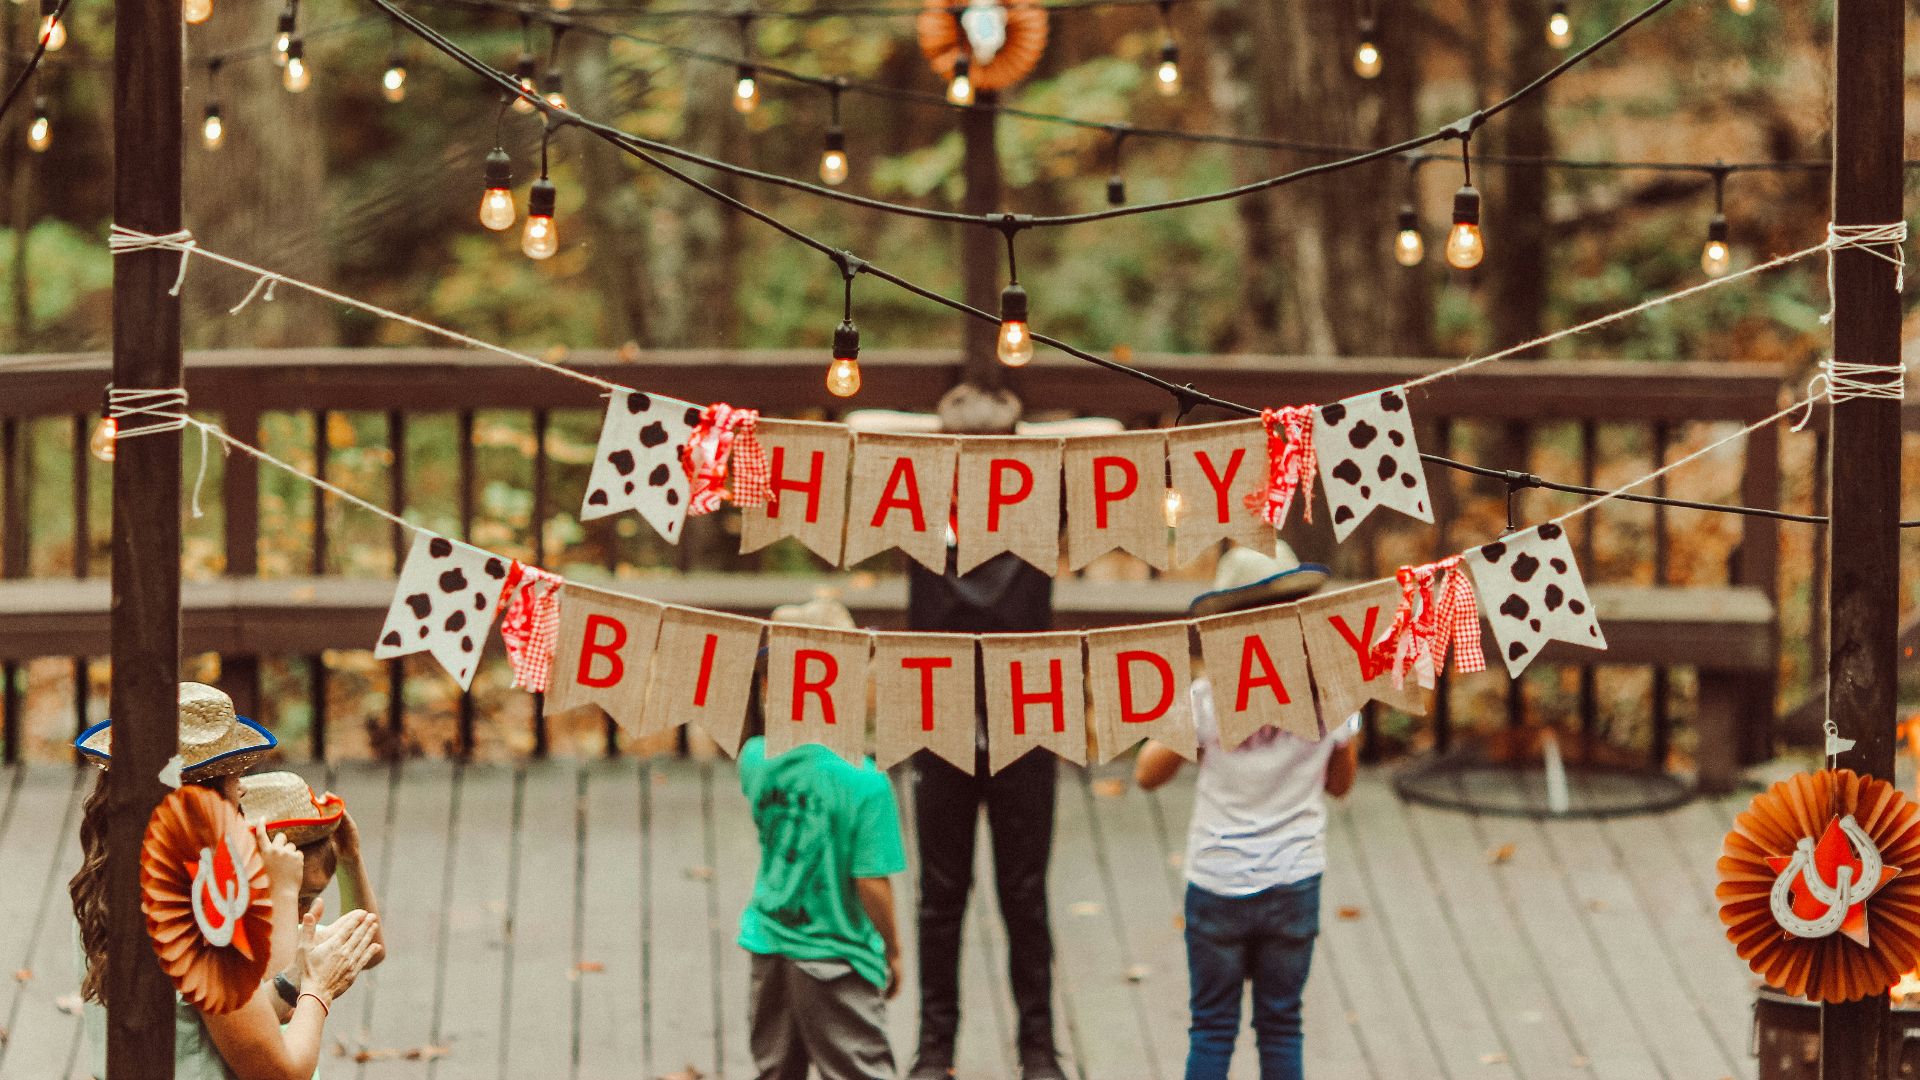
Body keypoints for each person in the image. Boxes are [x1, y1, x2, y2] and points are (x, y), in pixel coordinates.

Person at [71, 682, 384, 1080]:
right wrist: (318, 989)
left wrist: (291, 983)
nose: (243, 788)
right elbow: (280, 1072)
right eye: (233, 778)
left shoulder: (104, 883)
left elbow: (220, 1022)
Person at [1134, 545, 1358, 1080]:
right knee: (1282, 1026)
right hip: (1294, 879)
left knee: (1212, 1027)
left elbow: (1148, 773)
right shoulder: (1330, 691)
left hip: (1218, 880)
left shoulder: (1209, 699)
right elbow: (1341, 785)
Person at [907, 384, 1066, 1080]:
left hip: (1026, 724)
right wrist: (939, 439)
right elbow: (858, 425)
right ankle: (934, 1048)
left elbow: (1109, 429)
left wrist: (1021, 440)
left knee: (1023, 894)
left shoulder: (1036, 521)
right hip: (936, 721)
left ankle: (1038, 1047)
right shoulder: (913, 516)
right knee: (940, 896)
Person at [737, 599, 907, 1080]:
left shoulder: (754, 759)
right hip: (837, 955)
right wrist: (892, 949)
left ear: (772, 686)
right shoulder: (865, 783)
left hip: (768, 943)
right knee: (859, 1071)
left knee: (775, 1068)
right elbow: (870, 881)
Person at [241, 771, 388, 1019]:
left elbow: (370, 946)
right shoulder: (225, 940)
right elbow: (282, 1007)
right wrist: (284, 891)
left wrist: (350, 859)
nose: (298, 912)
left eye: (308, 899)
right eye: (292, 898)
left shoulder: (298, 930)